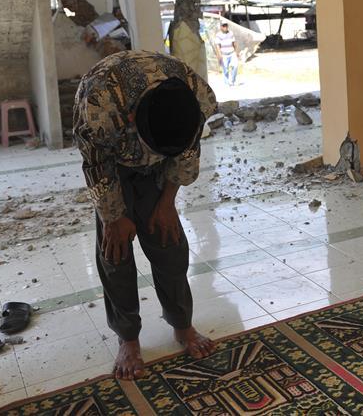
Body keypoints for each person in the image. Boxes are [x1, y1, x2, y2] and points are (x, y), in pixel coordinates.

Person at [72, 50, 218, 380]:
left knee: (170, 243)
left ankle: (183, 326)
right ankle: (128, 339)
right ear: (133, 117)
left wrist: (166, 202)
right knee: (116, 251)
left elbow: (188, 151)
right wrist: (114, 218)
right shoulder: (98, 107)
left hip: (162, 164)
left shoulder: (196, 98)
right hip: (113, 162)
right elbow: (96, 164)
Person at [214, 21, 240, 86]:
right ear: (221, 27)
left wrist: (236, 52)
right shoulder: (218, 35)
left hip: (232, 53)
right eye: (223, 26)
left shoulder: (231, 33)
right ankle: (227, 83)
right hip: (224, 54)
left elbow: (234, 43)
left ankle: (232, 81)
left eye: (226, 25)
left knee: (235, 66)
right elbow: (218, 46)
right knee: (225, 69)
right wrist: (219, 55)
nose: (225, 27)